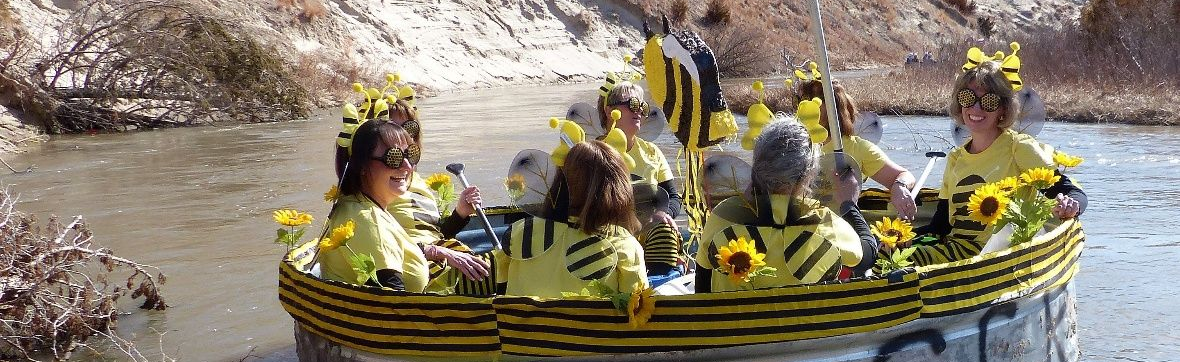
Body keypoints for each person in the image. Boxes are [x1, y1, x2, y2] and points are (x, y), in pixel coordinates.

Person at [908, 59, 1086, 266]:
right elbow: (940, 227)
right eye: (968, 98)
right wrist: (897, 238)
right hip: (957, 251)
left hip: (996, 257)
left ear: (1003, 108)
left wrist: (1071, 206)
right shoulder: (955, 158)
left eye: (989, 101)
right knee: (883, 255)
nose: (976, 107)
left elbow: (1071, 192)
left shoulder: (1018, 147)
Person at [694, 120, 877, 292]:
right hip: (802, 324)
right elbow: (866, 255)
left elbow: (702, 283)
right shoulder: (822, 220)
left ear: (756, 166)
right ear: (808, 174)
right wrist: (848, 204)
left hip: (736, 324)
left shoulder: (724, 214)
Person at [494, 141, 648, 297]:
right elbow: (636, 307)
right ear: (620, 191)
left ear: (558, 181)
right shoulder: (624, 246)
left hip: (522, 322)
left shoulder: (517, 234)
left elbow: (500, 292)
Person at [381, 99, 492, 285]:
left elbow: (434, 235)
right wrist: (438, 252)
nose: (403, 137)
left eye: (409, 129)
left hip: (436, 262)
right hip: (414, 270)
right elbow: (379, 242)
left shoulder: (418, 183)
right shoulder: (378, 184)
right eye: (392, 129)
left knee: (501, 263)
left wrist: (460, 213)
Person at [320, 120, 430, 291]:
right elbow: (392, 303)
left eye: (410, 154)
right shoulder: (367, 219)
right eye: (393, 157)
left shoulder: (359, 205)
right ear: (362, 166)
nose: (407, 166)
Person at [599, 82, 685, 287]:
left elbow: (673, 197)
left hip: (649, 232)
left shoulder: (652, 152)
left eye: (643, 107)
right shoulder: (593, 152)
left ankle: (658, 281)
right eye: (632, 104)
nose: (638, 111)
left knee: (663, 230)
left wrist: (664, 214)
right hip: (607, 228)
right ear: (609, 110)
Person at [796, 79, 919, 220]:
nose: (801, 105)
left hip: (841, 230)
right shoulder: (790, 145)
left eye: (809, 100)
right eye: (799, 100)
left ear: (832, 107)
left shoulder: (857, 148)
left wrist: (900, 186)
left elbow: (904, 175)